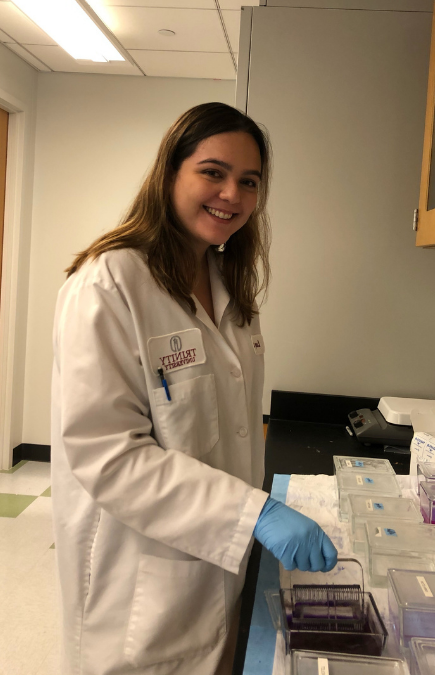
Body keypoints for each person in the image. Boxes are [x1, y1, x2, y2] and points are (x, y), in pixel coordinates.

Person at [51, 102, 337, 675]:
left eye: (249, 181)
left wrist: (248, 513)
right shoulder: (110, 284)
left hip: (213, 562)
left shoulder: (228, 286)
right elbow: (107, 453)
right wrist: (252, 515)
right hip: (137, 580)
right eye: (213, 172)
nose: (232, 194)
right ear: (170, 175)